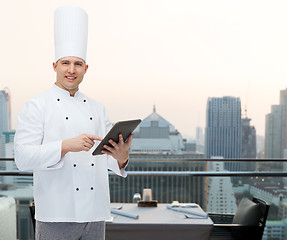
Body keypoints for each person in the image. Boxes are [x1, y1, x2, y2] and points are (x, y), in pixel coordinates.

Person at [14, 6, 131, 240]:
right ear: (54, 66)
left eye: (78, 64)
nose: (71, 70)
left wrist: (121, 157)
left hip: (95, 212)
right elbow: (22, 157)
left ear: (85, 68)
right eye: (65, 63)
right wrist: (66, 146)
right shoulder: (36, 105)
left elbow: (106, 157)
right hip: (56, 213)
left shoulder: (98, 108)